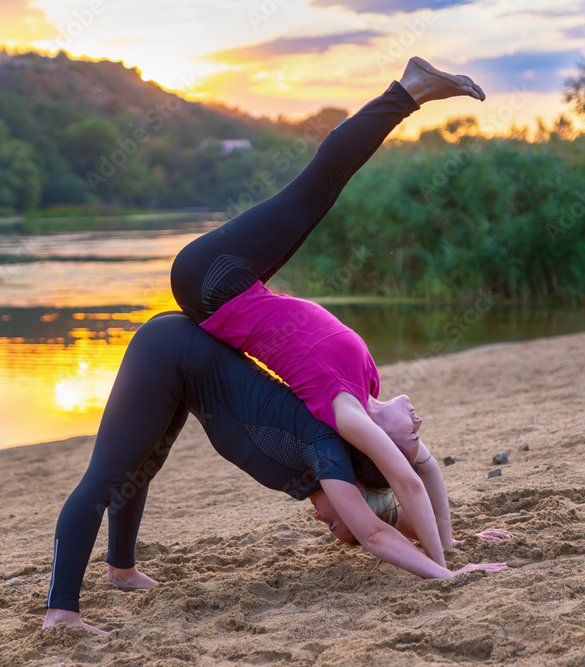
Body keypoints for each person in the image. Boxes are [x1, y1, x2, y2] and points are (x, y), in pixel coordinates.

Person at [170, 57, 487, 568]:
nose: (421, 423)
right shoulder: (366, 388)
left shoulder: (346, 412)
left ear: (382, 441)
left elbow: (404, 478)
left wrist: (445, 569)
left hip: (211, 282)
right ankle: (408, 92)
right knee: (325, 188)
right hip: (237, 286)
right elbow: (423, 471)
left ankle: (408, 90)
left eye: (414, 434)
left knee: (319, 184)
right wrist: (447, 543)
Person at [43, 312, 508, 635]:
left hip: (187, 364)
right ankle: (61, 611)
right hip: (169, 351)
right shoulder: (327, 451)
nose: (326, 525)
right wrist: (450, 574)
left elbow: (383, 516)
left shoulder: (326, 464)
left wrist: (444, 543)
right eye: (335, 521)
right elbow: (374, 531)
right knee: (106, 479)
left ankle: (122, 570)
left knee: (140, 467)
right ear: (355, 487)